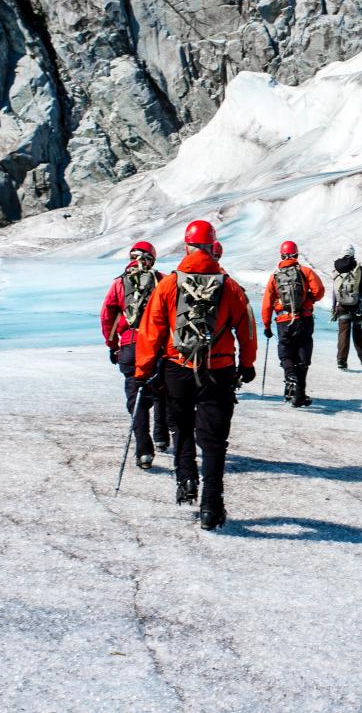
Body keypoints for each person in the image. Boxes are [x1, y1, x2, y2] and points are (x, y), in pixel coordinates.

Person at [135, 220, 257, 530]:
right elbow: (246, 328)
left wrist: (143, 370)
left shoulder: (168, 284)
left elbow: (152, 330)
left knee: (182, 427)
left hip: (178, 368)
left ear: (187, 246)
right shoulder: (229, 285)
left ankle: (186, 480)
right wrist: (247, 364)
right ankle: (211, 507)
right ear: (212, 246)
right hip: (218, 369)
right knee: (214, 441)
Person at [100, 241, 169, 469]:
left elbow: (107, 314)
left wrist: (112, 345)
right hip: (157, 345)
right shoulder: (163, 280)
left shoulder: (119, 283)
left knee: (135, 396)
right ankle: (161, 436)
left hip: (130, 346)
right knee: (160, 389)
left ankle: (143, 450)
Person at [261, 240, 324, 407]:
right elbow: (319, 291)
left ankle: (290, 375)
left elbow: (267, 302)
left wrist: (266, 325)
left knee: (286, 351)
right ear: (296, 255)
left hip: (284, 320)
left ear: (281, 256)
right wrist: (309, 299)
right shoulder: (305, 271)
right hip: (303, 318)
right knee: (303, 354)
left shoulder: (275, 276)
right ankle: (299, 394)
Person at [330, 245, 362, 369]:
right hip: (356, 305)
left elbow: (334, 290)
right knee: (357, 330)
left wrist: (333, 306)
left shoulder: (336, 268)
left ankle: (341, 360)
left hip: (342, 305)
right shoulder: (359, 268)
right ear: (353, 253)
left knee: (343, 333)